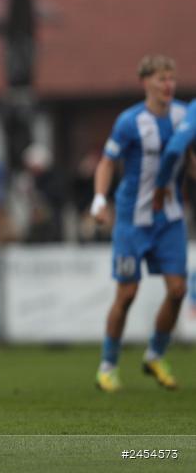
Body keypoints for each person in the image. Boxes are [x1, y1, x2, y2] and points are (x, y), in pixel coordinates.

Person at [90, 55, 186, 392]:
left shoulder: (183, 115)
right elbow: (106, 162)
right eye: (161, 79)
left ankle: (155, 355)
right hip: (132, 220)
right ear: (146, 82)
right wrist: (100, 200)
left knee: (178, 290)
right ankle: (107, 364)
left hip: (170, 218)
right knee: (127, 294)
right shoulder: (129, 122)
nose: (168, 85)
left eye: (171, 79)